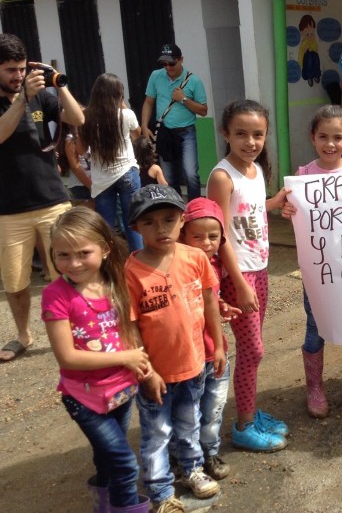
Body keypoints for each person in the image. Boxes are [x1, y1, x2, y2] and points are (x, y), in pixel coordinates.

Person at [43, 207, 151, 512]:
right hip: (84, 399)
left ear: (104, 249)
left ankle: (105, 504)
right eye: (62, 254)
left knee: (107, 459)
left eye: (83, 253)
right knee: (126, 466)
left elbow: (131, 329)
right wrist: (126, 356)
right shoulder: (57, 295)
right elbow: (67, 358)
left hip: (122, 391)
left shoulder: (117, 282)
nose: (73, 263)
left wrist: (144, 365)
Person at [126, 185, 225, 513]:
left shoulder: (195, 258)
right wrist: (147, 371)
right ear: (135, 227)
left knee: (189, 422)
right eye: (149, 222)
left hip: (195, 364)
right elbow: (131, 327)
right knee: (156, 433)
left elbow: (210, 303)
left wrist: (220, 347)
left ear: (182, 221)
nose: (161, 228)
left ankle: (192, 468)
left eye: (169, 219)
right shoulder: (131, 271)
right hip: (155, 374)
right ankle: (160, 491)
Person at [207, 100, 291, 452]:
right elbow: (219, 234)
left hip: (260, 270)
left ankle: (250, 412)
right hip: (237, 276)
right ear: (225, 134)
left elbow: (253, 208)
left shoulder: (254, 170)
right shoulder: (222, 177)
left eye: (258, 134)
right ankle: (243, 425)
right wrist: (238, 283)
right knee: (253, 350)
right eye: (241, 134)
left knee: (252, 348)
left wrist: (278, 201)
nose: (250, 141)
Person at [0, 33, 84, 362]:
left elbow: (77, 119)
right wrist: (21, 98)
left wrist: (58, 84)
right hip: (9, 208)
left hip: (52, 199)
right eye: (9, 69)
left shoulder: (40, 100)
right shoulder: (23, 99)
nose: (17, 75)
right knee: (16, 280)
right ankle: (23, 334)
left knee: (68, 271)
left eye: (21, 68)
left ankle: (77, 329)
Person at [281, 106, 342, 418]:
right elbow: (289, 210)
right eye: (323, 137)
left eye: (337, 137)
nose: (330, 144)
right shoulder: (301, 177)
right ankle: (314, 387)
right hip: (316, 271)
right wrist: (287, 210)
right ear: (312, 138)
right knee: (315, 324)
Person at [177, 197, 257, 481]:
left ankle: (209, 453)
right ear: (182, 234)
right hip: (185, 353)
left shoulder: (214, 263)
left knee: (213, 407)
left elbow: (210, 298)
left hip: (213, 349)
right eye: (197, 236)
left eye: (213, 237)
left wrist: (221, 305)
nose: (206, 242)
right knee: (188, 408)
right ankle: (186, 458)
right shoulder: (176, 264)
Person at [80, 73, 144, 250]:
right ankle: (137, 263)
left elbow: (81, 150)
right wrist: (122, 104)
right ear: (118, 94)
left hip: (102, 179)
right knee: (132, 221)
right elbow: (138, 135)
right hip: (127, 172)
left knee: (106, 225)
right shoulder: (126, 115)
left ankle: (108, 264)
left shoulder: (87, 117)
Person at [140, 44, 208, 201]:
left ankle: (195, 207)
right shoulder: (156, 76)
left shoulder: (194, 81)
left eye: (172, 63)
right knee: (169, 176)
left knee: (190, 174)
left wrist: (183, 99)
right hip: (164, 131)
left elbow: (203, 111)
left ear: (181, 60)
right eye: (164, 64)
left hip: (186, 132)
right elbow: (149, 102)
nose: (168, 67)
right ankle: (177, 208)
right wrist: (144, 125)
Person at [63, 125, 93, 206]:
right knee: (87, 216)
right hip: (80, 185)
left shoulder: (92, 134)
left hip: (97, 184)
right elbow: (75, 166)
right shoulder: (71, 139)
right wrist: (90, 186)